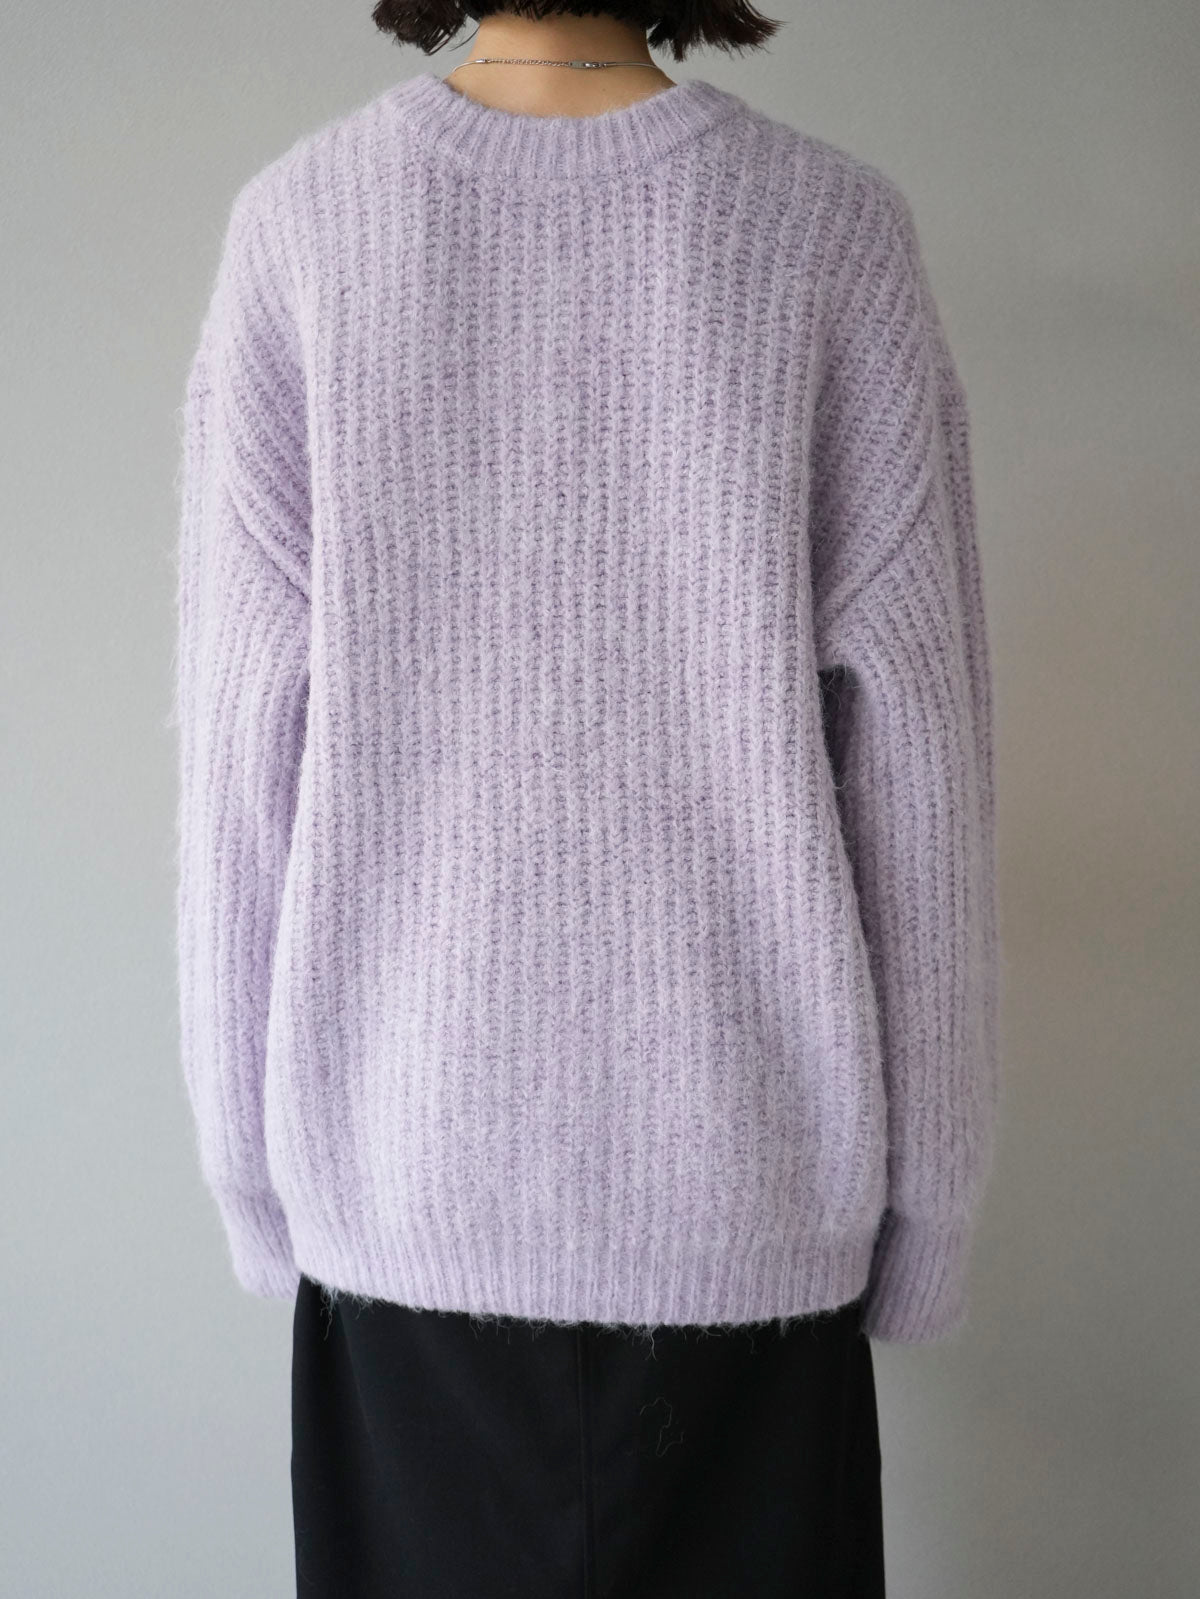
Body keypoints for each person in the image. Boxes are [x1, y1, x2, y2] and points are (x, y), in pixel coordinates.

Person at [171, 1, 1003, 1593]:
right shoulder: (828, 228)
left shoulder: (305, 225)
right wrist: (931, 1204)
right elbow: (922, 773)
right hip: (749, 1189)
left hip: (406, 1190)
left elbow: (239, 769)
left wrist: (252, 1176)